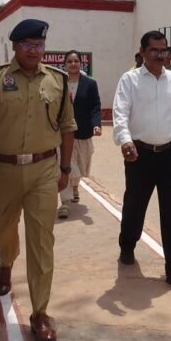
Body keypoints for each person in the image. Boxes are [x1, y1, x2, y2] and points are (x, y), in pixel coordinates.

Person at [0, 19, 76, 341]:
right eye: (27, 44)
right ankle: (6, 262)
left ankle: (40, 312)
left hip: (44, 170)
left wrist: (65, 168)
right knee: (4, 228)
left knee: (42, 240)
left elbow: (68, 127)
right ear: (15, 46)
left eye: (39, 45)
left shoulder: (57, 81)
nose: (33, 51)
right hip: (4, 169)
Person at [113, 30, 171, 289]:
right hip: (140, 155)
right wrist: (125, 140)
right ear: (143, 52)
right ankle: (127, 245)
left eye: (163, 50)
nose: (160, 55)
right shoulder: (130, 80)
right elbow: (120, 112)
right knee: (135, 205)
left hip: (170, 154)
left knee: (170, 210)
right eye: (154, 50)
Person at [57, 50, 102, 219]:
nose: (73, 64)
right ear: (65, 64)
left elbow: (95, 106)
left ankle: (75, 186)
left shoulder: (90, 84)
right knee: (65, 165)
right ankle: (65, 202)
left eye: (76, 61)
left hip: (83, 132)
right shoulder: (59, 82)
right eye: (70, 61)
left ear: (81, 64)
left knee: (81, 166)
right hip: (63, 133)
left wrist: (96, 125)